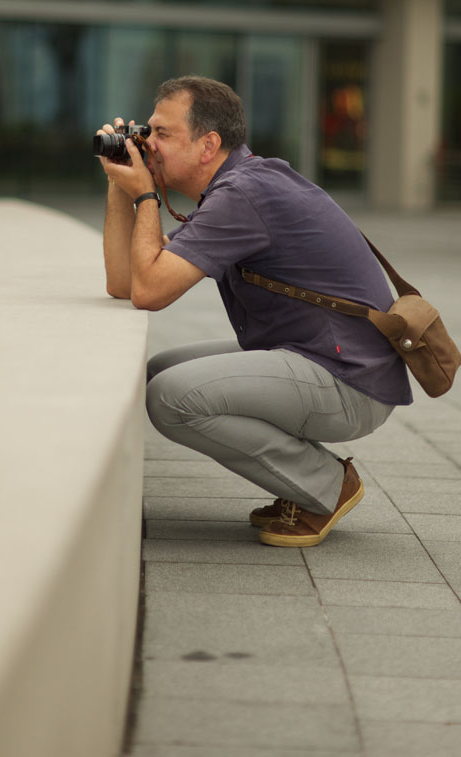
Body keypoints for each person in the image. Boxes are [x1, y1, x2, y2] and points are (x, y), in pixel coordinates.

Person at [96, 75, 412, 548]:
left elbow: (149, 291)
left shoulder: (243, 195)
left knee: (171, 396)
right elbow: (125, 281)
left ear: (209, 145)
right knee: (161, 370)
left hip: (349, 380)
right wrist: (120, 184)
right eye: (148, 131)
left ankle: (325, 484)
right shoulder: (237, 186)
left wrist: (144, 195)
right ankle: (308, 479)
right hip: (322, 357)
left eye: (163, 134)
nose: (150, 144)